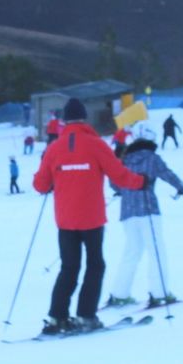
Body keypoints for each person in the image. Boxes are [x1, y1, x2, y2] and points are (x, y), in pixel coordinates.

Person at [32, 97, 144, 334]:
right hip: (92, 218)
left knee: (69, 267)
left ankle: (57, 316)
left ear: (64, 121)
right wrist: (141, 182)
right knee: (95, 265)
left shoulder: (54, 148)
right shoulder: (96, 144)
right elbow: (119, 175)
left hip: (65, 220)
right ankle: (85, 315)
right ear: (84, 118)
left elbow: (40, 185)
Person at [102, 126, 183, 311]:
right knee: (156, 251)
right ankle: (160, 293)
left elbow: (114, 182)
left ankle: (120, 293)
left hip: (127, 213)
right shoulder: (151, 157)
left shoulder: (125, 159)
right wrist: (180, 187)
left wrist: (123, 191)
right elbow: (167, 174)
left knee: (131, 252)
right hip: (148, 209)